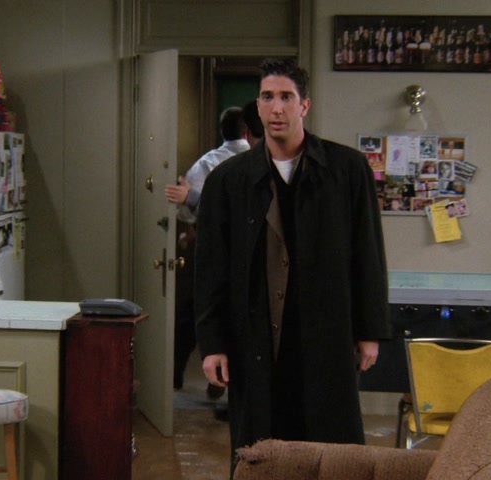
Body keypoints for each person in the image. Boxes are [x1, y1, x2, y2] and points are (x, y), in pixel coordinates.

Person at [194, 58, 391, 475]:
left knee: (331, 448)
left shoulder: (347, 169)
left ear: (304, 106)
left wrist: (369, 331)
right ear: (258, 106)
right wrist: (212, 343)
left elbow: (368, 253)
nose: (276, 107)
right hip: (255, 335)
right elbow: (210, 269)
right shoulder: (227, 180)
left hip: (325, 331)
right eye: (267, 97)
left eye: (286, 97)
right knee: (260, 450)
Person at [165, 106, 251, 393]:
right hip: (246, 253)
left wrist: (192, 209)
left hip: (210, 248)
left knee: (197, 311)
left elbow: (185, 213)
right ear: (247, 131)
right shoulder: (256, 162)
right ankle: (223, 382)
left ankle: (178, 374)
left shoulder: (207, 163)